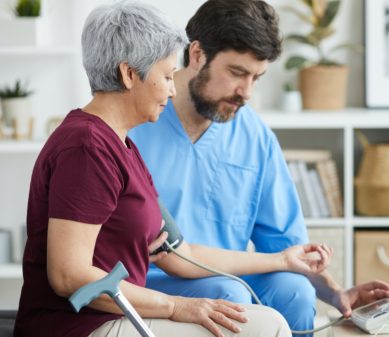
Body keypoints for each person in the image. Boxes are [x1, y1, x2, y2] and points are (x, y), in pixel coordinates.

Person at [13, 2, 332, 337]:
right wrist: (177, 307)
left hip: (117, 317)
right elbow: (68, 276)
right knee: (263, 326)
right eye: (166, 76)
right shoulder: (87, 147)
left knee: (261, 320)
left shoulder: (123, 148)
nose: (173, 88)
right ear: (129, 74)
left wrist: (285, 261)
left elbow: (183, 254)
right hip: (82, 327)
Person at [128, 0, 389, 334]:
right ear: (197, 55)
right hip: (152, 280)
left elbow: (285, 248)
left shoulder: (255, 136)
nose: (246, 92)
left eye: (257, 77)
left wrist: (335, 291)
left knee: (296, 293)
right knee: (230, 295)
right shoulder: (136, 122)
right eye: (237, 73)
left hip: (231, 275)